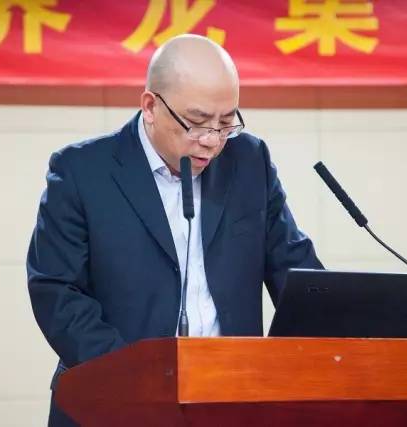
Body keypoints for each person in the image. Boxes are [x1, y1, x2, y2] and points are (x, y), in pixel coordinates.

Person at [27, 34, 323, 426]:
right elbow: (57, 291)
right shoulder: (81, 171)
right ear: (150, 106)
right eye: (197, 123)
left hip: (228, 401)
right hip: (113, 401)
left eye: (226, 123)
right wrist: (137, 380)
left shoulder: (249, 161)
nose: (212, 141)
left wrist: (345, 329)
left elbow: (295, 270)